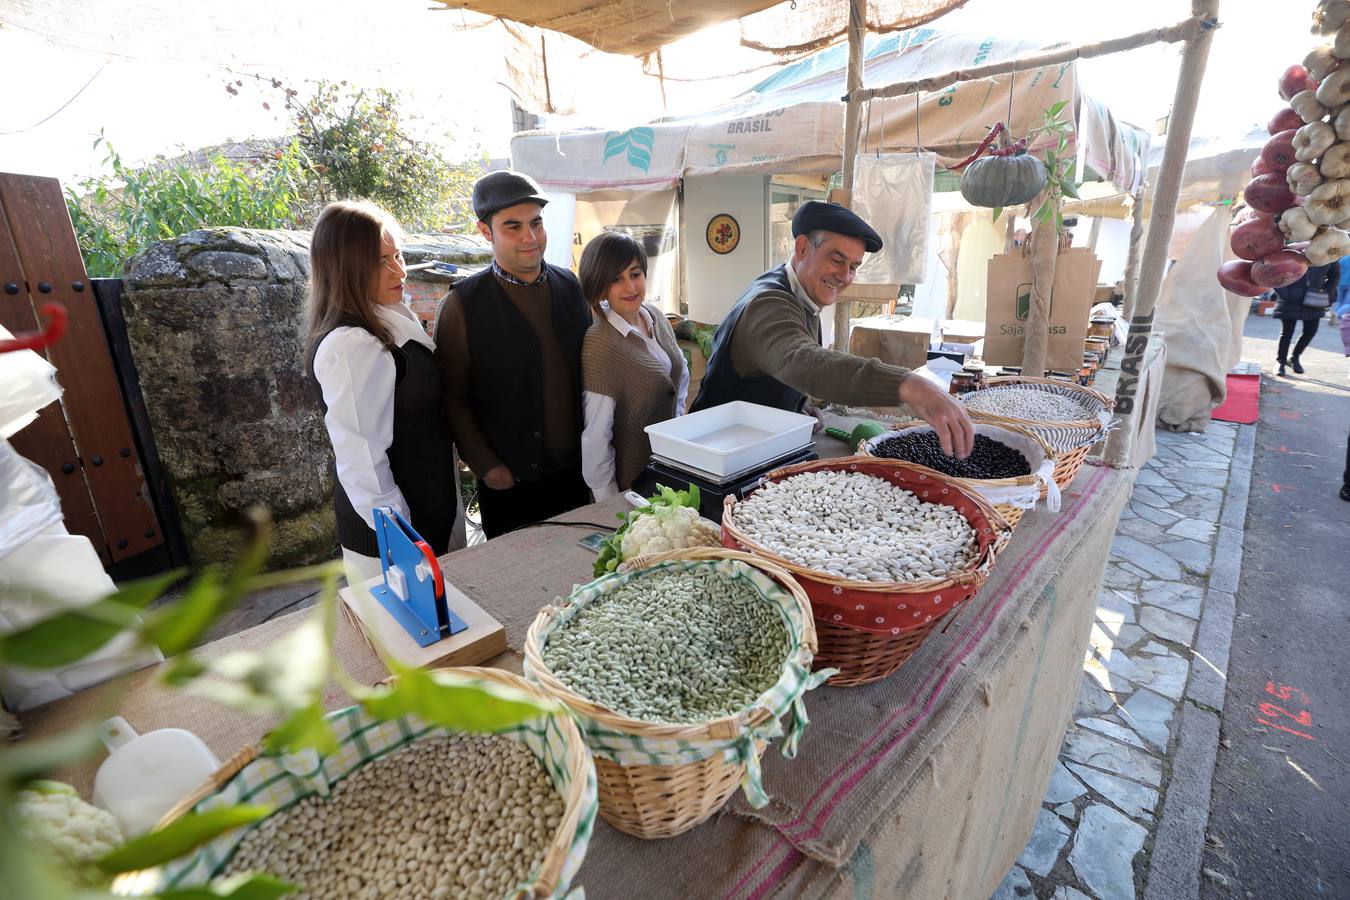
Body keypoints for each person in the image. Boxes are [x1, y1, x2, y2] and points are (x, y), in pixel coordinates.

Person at [690, 200, 975, 458]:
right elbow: (801, 361)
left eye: (854, 266)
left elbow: (774, 369)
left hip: (756, 444)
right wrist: (908, 386)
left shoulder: (802, 294)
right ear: (802, 248)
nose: (845, 276)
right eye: (836, 260)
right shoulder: (769, 303)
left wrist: (792, 407)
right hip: (714, 460)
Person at [306, 200, 460, 584]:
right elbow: (362, 461)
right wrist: (406, 545)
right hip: (394, 540)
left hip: (426, 514)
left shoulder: (386, 320)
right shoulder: (351, 344)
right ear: (346, 269)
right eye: (381, 261)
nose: (400, 270)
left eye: (399, 254)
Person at [435, 171, 592, 538]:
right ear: (485, 231)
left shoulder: (570, 286)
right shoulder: (461, 306)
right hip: (509, 486)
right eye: (513, 226)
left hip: (578, 476)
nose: (529, 237)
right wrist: (487, 467)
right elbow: (453, 398)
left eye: (536, 223)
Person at [577, 231, 689, 500]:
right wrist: (608, 504)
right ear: (599, 285)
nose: (630, 287)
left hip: (671, 471)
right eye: (616, 279)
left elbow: (680, 380)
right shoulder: (601, 341)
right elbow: (596, 436)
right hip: (632, 487)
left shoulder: (655, 316)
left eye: (635, 274)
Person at [1273, 260, 1339, 376]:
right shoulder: (1293, 248)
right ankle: (1281, 362)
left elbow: (1334, 276)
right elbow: (1274, 272)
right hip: (1290, 298)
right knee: (1287, 333)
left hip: (1314, 297)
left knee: (1310, 331)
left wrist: (1327, 292)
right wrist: (1284, 292)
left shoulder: (1327, 253)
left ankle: (1294, 357)